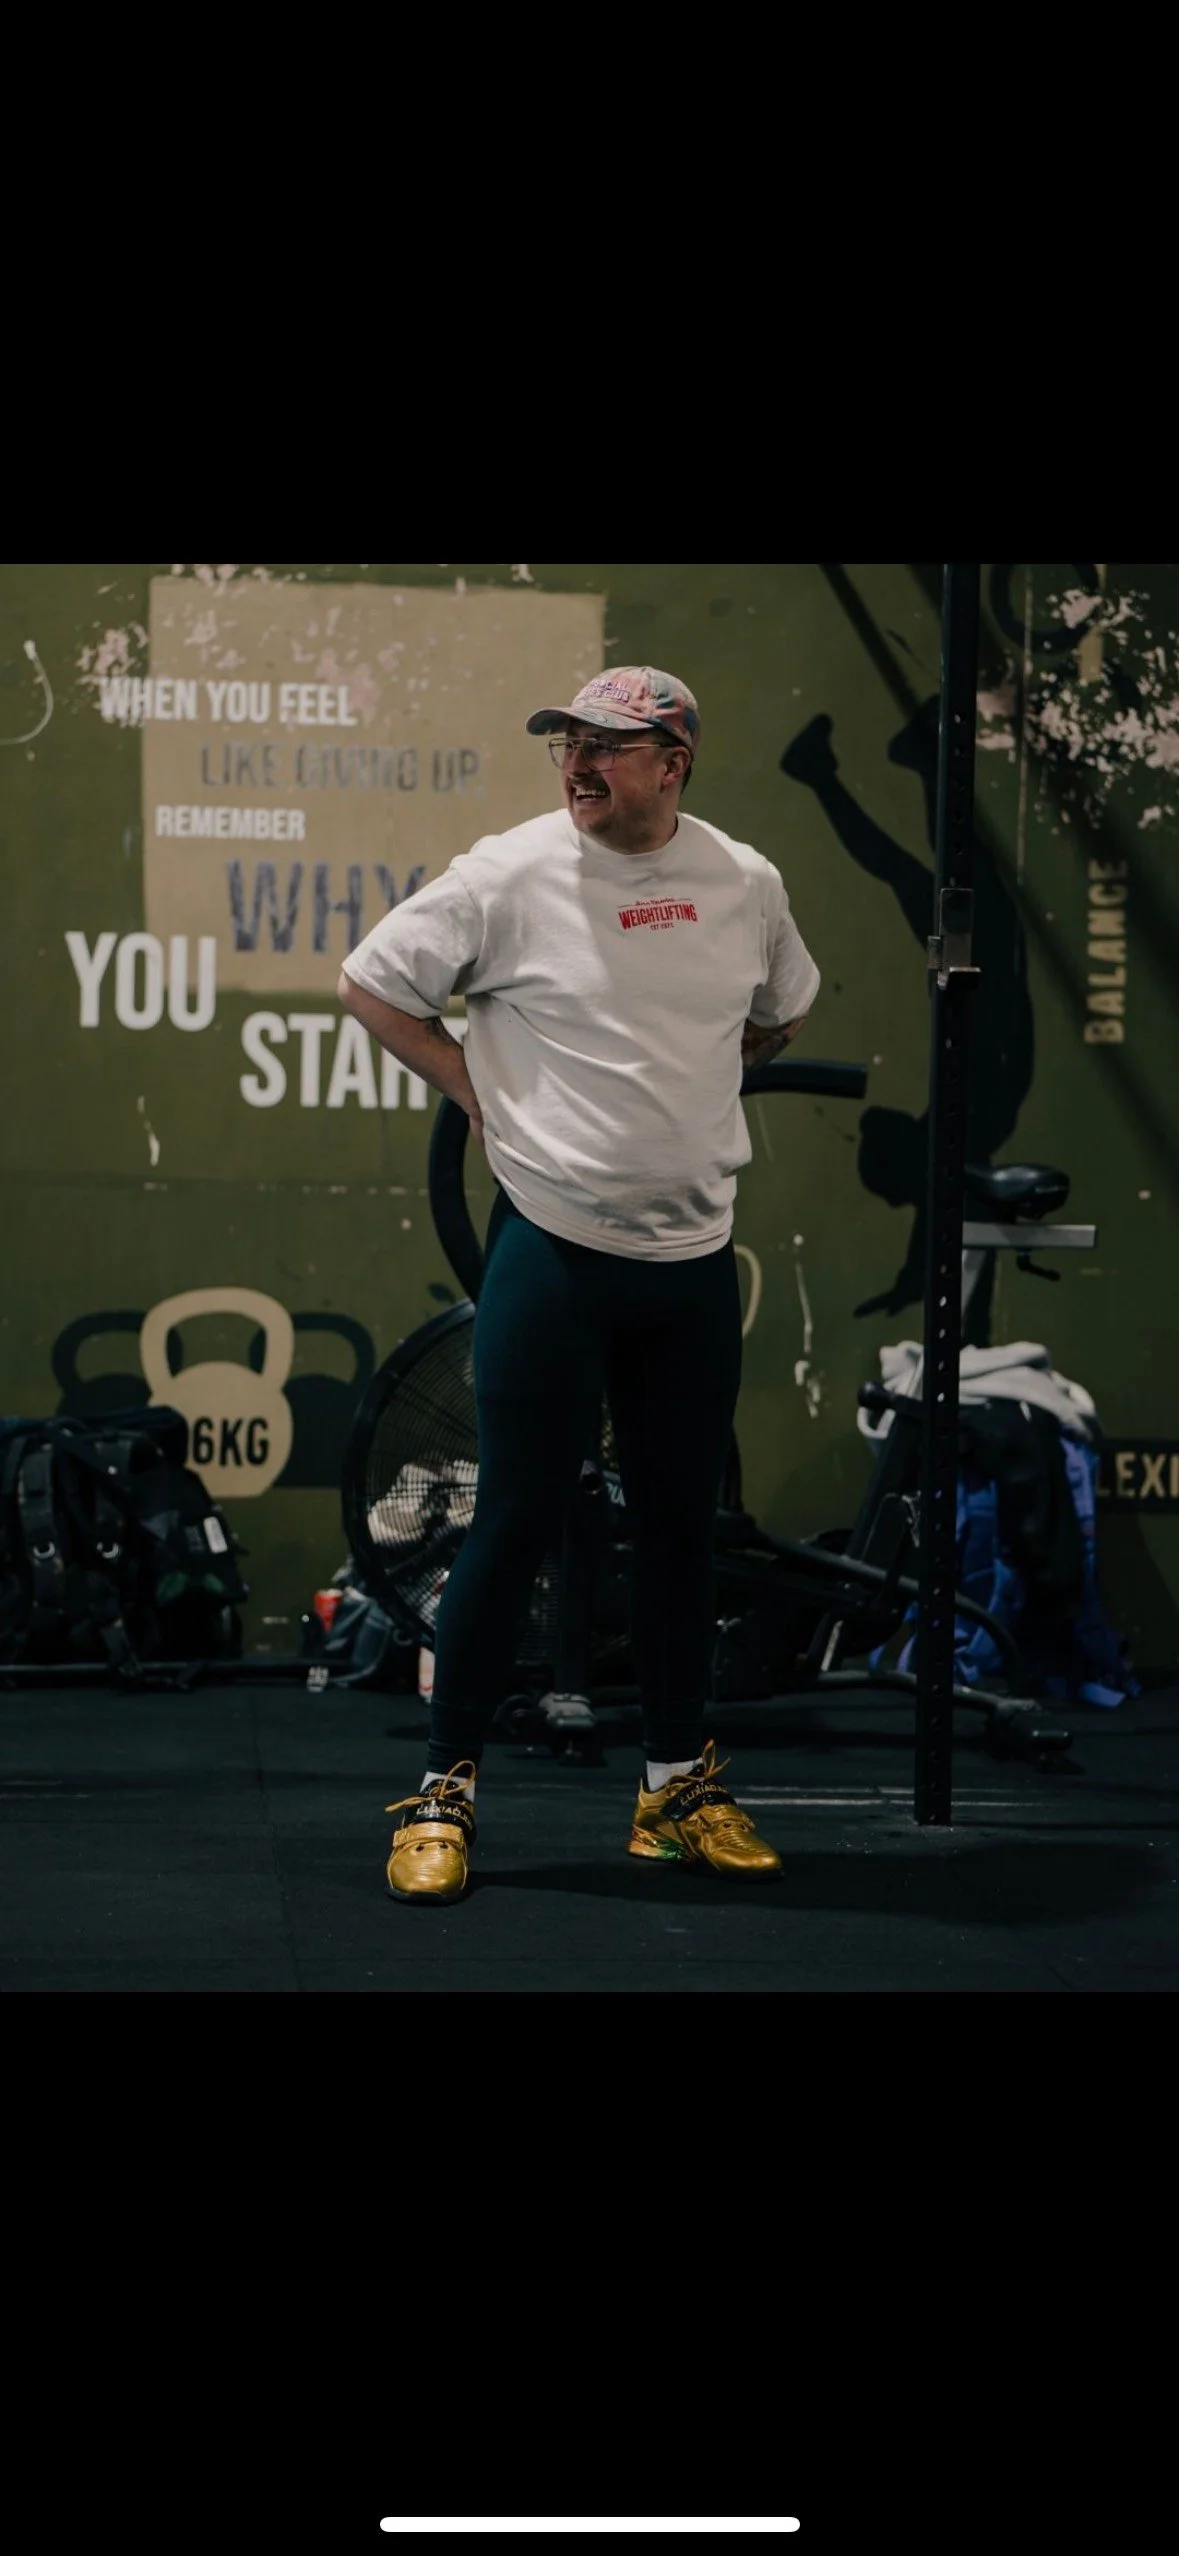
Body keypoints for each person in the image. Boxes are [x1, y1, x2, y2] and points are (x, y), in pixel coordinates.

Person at [338, 667, 820, 1904]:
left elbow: (778, 1015)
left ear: (677, 761)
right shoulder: (507, 874)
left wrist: (691, 1084)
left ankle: (673, 1791)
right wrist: (482, 1095)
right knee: (512, 1521)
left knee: (675, 1531)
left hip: (692, 1259)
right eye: (565, 740)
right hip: (554, 1248)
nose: (578, 761)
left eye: (611, 744)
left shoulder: (743, 882)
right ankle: (443, 1791)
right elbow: (372, 985)